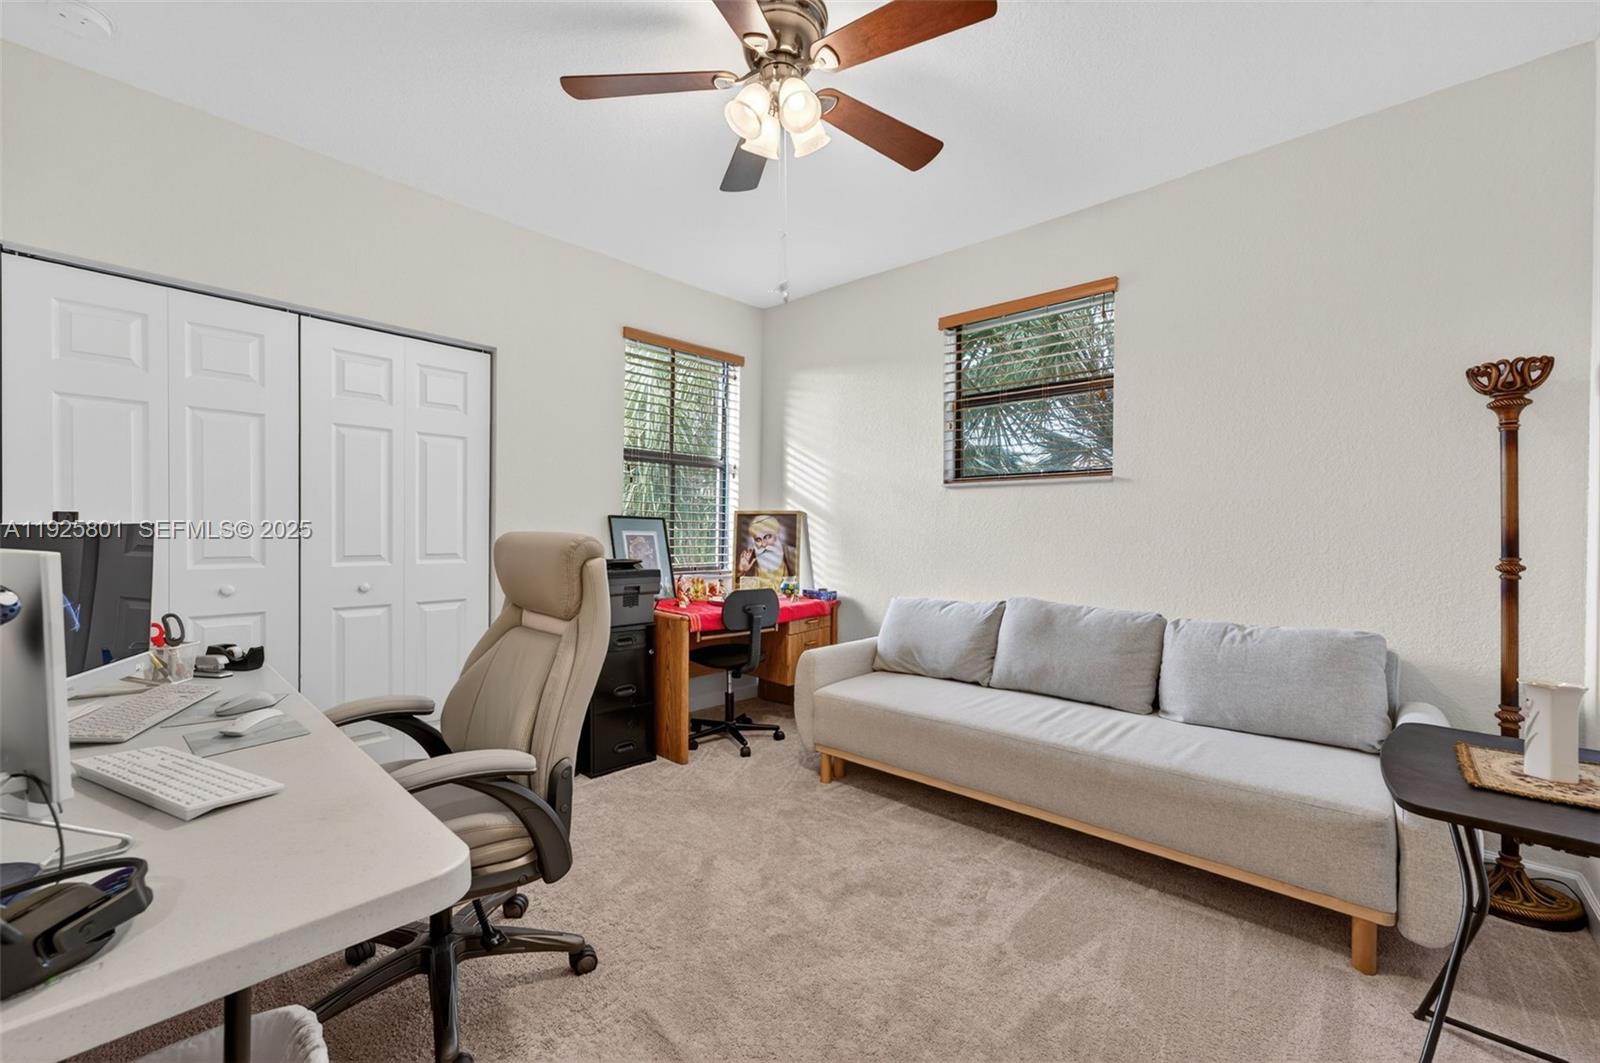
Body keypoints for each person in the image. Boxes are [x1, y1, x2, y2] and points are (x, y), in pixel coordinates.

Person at [736, 514, 798, 585]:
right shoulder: (750, 559)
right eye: (758, 540)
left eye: (768, 537)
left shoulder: (792, 554)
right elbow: (740, 591)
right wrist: (741, 572)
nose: (763, 544)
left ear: (777, 535)